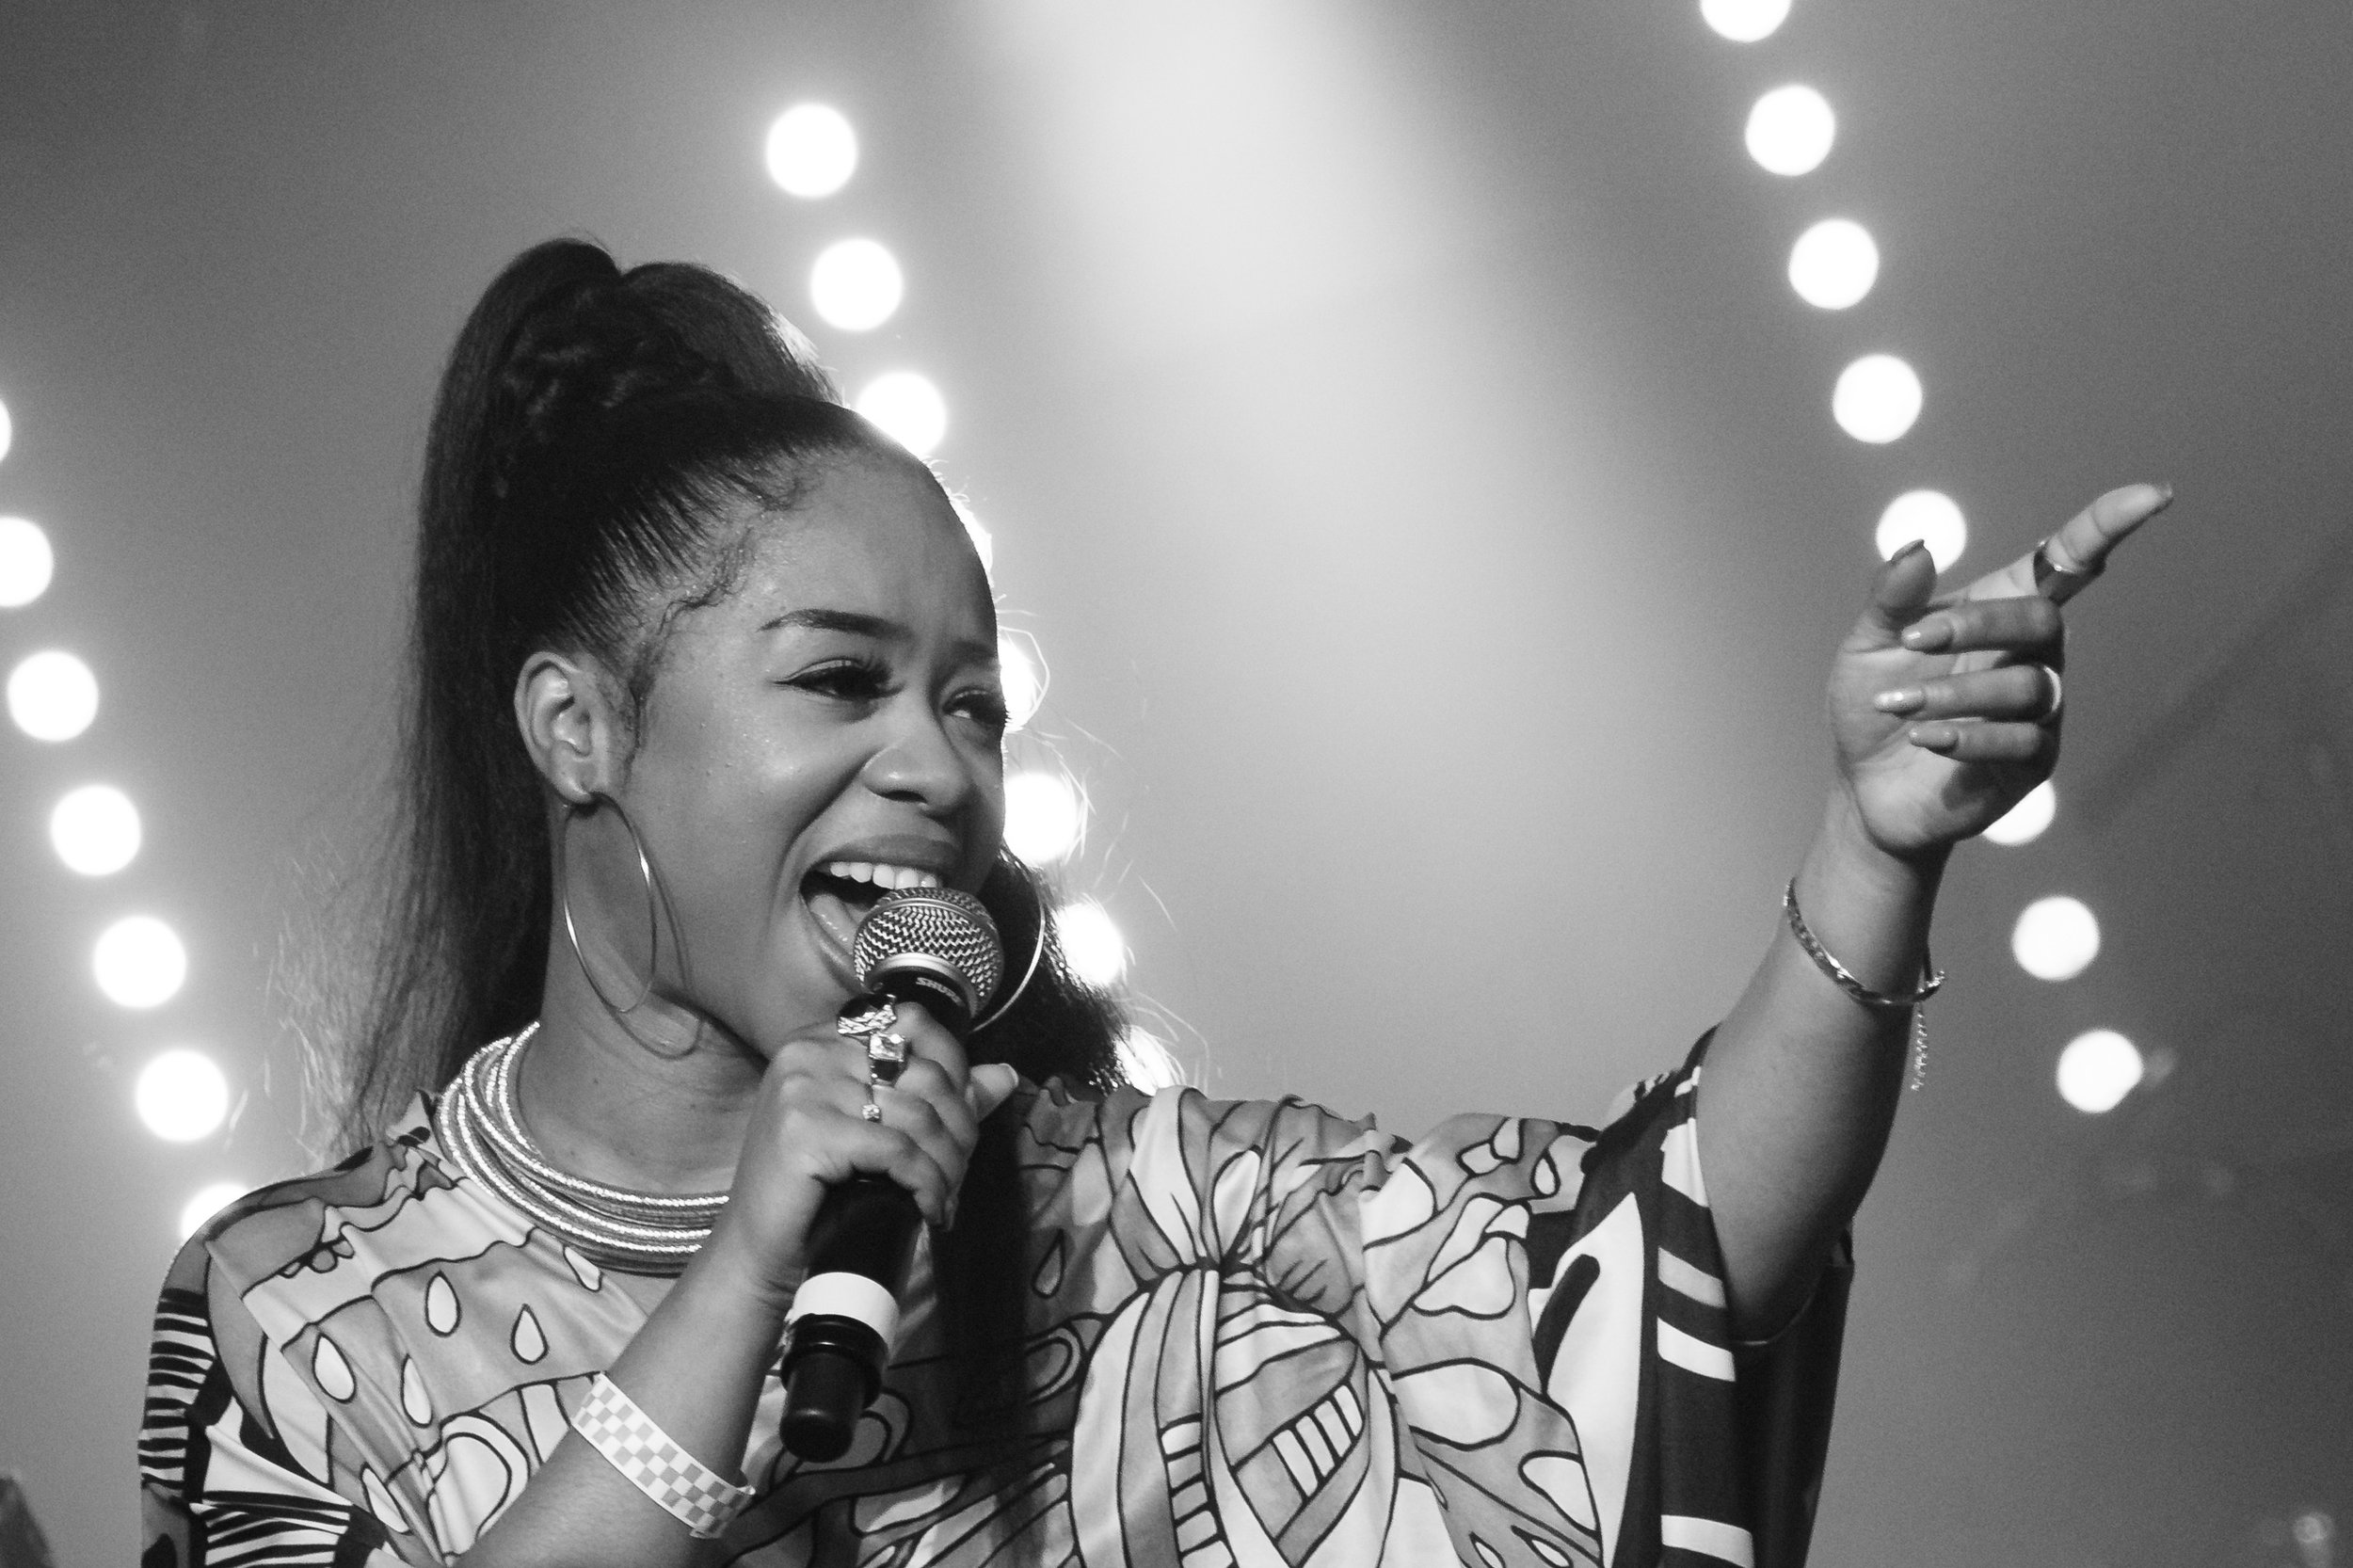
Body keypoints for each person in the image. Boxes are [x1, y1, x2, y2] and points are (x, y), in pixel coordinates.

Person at [136, 237, 2166, 1568]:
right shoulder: (291, 1312)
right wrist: (745, 1285)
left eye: (969, 705)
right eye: (837, 681)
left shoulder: (1127, 1210)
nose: (936, 766)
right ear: (579, 727)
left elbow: (1651, 1268)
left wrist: (1878, 846)